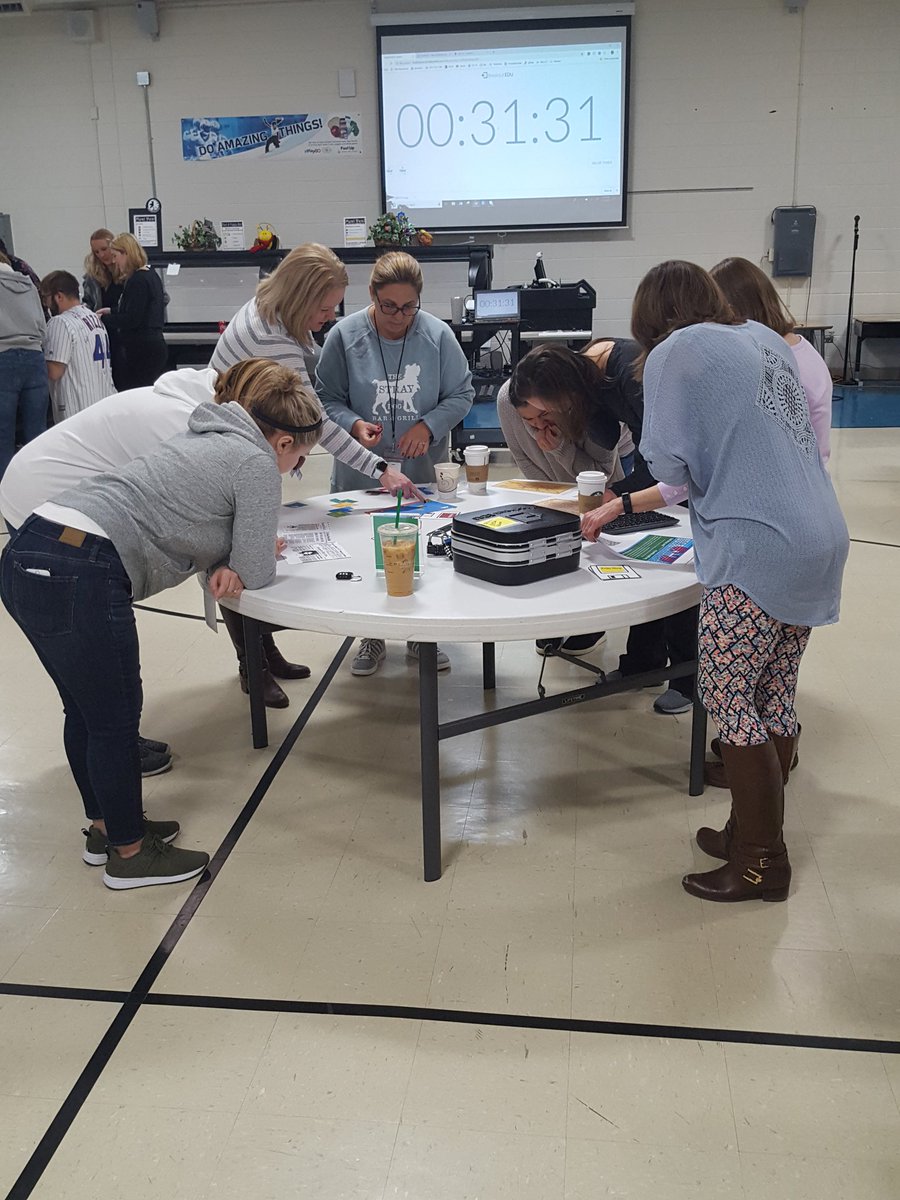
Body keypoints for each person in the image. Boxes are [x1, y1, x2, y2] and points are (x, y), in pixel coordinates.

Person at [0, 360, 322, 890]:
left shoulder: (199, 434)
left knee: (84, 711)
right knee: (115, 719)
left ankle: (107, 829)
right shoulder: (256, 463)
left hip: (29, 549)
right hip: (86, 570)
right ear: (282, 442)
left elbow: (193, 522)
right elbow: (258, 572)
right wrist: (243, 559)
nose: (294, 469)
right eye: (301, 459)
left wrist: (228, 559)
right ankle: (129, 855)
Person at [621, 259, 848, 903]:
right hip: (818, 534)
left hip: (757, 545)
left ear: (650, 317)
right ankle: (747, 828)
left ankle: (760, 862)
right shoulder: (765, 337)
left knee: (727, 701)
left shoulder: (675, 351)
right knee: (772, 692)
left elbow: (664, 459)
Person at [0, 361, 314, 718]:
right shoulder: (195, 429)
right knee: (102, 683)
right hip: (49, 500)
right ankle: (120, 741)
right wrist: (235, 562)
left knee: (89, 693)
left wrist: (232, 559)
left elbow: (206, 518)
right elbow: (188, 521)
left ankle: (114, 734)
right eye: (299, 457)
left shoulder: (208, 416)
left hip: (57, 515)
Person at [212, 243, 426, 682]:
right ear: (300, 297)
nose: (329, 316)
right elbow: (318, 422)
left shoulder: (270, 310)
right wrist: (382, 469)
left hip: (239, 432)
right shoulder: (272, 336)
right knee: (239, 551)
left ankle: (262, 654)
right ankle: (253, 664)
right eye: (324, 307)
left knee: (247, 546)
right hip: (229, 445)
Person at [505, 343, 699, 713]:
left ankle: (687, 680)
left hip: (681, 477)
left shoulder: (627, 374)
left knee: (676, 567)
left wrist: (620, 497)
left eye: (546, 411)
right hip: (654, 472)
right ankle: (643, 664)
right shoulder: (588, 383)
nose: (544, 421)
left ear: (562, 389)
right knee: (649, 561)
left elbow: (665, 461)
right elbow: (606, 437)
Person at [316, 250, 475, 676]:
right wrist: (351, 423)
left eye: (408, 307)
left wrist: (428, 426)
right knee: (369, 556)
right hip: (359, 474)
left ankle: (423, 636)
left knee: (425, 556)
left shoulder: (438, 336)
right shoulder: (343, 337)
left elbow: (462, 394)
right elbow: (324, 399)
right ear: (372, 295)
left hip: (421, 475)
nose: (399, 316)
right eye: (389, 306)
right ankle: (371, 636)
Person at [710, 256, 833, 464]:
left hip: (791, 485)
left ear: (734, 310)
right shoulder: (799, 346)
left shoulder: (772, 365)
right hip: (811, 480)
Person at [40, 270, 115, 421]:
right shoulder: (94, 318)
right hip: (104, 401)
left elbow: (54, 371)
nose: (45, 304)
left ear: (58, 296)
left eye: (45, 298)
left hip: (77, 408)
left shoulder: (60, 322)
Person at [0, 251, 47, 480]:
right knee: (37, 434)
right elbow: (42, 327)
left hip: (3, 358)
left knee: (3, 435)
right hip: (34, 358)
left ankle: (6, 493)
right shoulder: (28, 283)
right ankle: (36, 488)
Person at [100, 232, 167, 390]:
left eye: (116, 255)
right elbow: (138, 307)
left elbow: (132, 319)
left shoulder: (138, 280)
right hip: (153, 346)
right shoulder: (150, 275)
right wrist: (111, 311)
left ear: (126, 253)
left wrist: (103, 319)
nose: (114, 261)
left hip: (142, 351)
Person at [82, 228, 124, 388]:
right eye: (96, 252)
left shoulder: (128, 274)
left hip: (125, 331)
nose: (101, 255)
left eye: (104, 249)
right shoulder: (93, 277)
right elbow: (88, 304)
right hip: (104, 334)